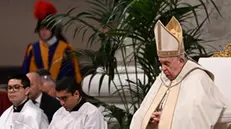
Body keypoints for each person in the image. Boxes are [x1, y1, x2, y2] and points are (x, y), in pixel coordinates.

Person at [130, 17, 231, 129]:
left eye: (167, 63)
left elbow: (197, 115)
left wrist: (165, 118)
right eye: (161, 63)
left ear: (181, 61)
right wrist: (149, 116)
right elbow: (142, 112)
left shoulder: (198, 78)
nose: (163, 68)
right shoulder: (163, 78)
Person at [22, 0, 82, 83]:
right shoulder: (33, 49)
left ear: (53, 29)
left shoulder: (65, 48)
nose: (44, 32)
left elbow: (70, 74)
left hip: (59, 90)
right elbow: (25, 73)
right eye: (41, 29)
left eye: (47, 28)